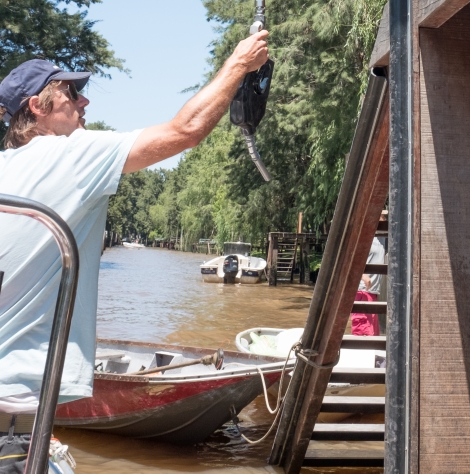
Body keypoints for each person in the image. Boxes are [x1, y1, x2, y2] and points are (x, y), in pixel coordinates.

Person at [0, 31, 269, 429]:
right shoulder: (70, 155)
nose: (84, 102)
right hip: (19, 402)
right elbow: (185, 131)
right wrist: (239, 64)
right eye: (72, 94)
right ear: (38, 107)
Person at [351, 236, 385, 337]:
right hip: (361, 290)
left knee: (373, 335)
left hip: (373, 292)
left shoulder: (383, 238)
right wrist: (361, 274)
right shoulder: (364, 234)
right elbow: (347, 257)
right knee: (362, 333)